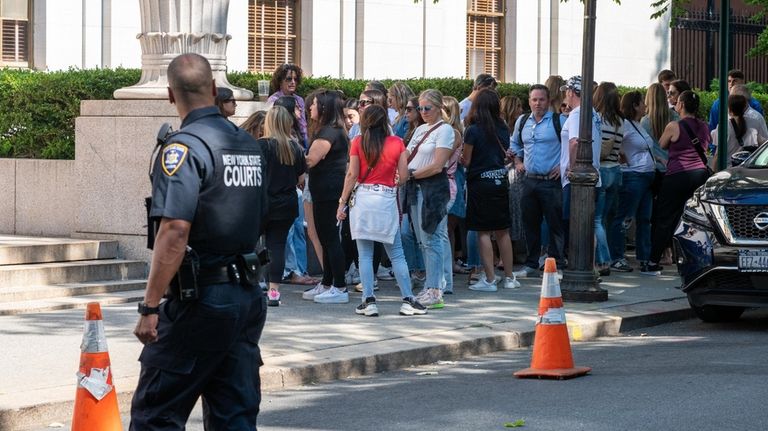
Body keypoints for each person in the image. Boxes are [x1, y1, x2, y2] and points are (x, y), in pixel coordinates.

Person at [130, 53, 267, 430]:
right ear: (211, 89)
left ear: (170, 96)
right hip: (246, 294)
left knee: (156, 414)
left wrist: (149, 306)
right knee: (234, 415)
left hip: (201, 300)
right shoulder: (248, 144)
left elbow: (174, 230)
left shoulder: (183, 149)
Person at [336, 105, 428, 316]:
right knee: (396, 253)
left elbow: (352, 175)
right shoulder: (397, 143)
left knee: (365, 254)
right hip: (386, 198)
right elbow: (404, 176)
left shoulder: (358, 142)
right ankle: (408, 299)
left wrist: (341, 202)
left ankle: (368, 301)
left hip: (363, 200)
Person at [645, 90, 711, 276]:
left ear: (681, 105)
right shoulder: (704, 126)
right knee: (695, 219)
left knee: (664, 218)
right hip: (699, 175)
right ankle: (696, 260)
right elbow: (705, 146)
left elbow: (662, 143)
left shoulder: (674, 126)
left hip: (677, 176)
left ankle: (653, 262)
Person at [462, 89, 519, 291]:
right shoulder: (502, 127)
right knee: (502, 231)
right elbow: (503, 155)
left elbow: (466, 160)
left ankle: (489, 279)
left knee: (483, 232)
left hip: (480, 182)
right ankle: (510, 277)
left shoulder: (473, 130)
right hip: (500, 180)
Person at [405, 89, 454, 309]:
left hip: (432, 187)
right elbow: (406, 155)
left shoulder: (445, 130)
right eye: (420, 108)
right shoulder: (420, 129)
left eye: (428, 108)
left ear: (438, 108)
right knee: (422, 240)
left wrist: (411, 174)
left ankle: (435, 289)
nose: (423, 112)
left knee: (432, 238)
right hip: (415, 185)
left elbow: (437, 165)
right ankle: (430, 287)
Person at [510, 84, 566, 277]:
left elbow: (569, 146)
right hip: (530, 180)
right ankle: (532, 264)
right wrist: (517, 161)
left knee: (555, 223)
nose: (538, 103)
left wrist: (562, 166)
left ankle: (556, 264)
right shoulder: (522, 121)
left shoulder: (559, 120)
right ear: (529, 101)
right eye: (534, 99)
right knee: (530, 223)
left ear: (548, 101)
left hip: (551, 181)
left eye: (542, 99)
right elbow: (514, 143)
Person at [303, 89, 351, 303]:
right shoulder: (331, 130)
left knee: (331, 239)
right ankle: (327, 282)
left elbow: (310, 160)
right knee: (325, 237)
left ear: (324, 107)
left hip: (329, 192)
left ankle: (339, 286)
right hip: (323, 190)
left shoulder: (329, 132)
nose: (310, 108)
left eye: (313, 104)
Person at [258, 106, 306, 306]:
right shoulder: (294, 147)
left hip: (261, 203)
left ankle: (253, 284)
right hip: (286, 203)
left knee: (252, 243)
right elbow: (301, 178)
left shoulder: (261, 145)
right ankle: (274, 292)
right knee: (277, 246)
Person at [273, 96, 318, 286]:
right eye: (297, 109)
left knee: (298, 230)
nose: (301, 112)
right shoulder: (281, 141)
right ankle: (291, 270)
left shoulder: (293, 136)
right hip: (288, 191)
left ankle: (300, 269)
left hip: (294, 190)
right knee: (289, 232)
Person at [609, 91, 655, 273]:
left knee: (645, 218)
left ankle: (644, 256)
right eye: (642, 103)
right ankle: (617, 256)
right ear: (635, 105)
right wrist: (621, 156)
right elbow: (615, 142)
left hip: (645, 175)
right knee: (624, 217)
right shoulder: (625, 125)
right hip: (632, 175)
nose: (645, 106)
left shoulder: (638, 124)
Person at [559, 75, 602, 256]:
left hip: (577, 179)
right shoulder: (593, 113)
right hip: (594, 176)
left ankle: (578, 263)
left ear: (571, 92)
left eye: (566, 92)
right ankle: (590, 264)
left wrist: (572, 168)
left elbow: (575, 142)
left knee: (574, 225)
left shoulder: (577, 114)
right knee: (587, 225)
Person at [593, 82, 625, 276]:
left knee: (596, 220)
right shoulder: (621, 121)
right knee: (606, 219)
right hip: (616, 170)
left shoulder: (599, 119)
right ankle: (609, 257)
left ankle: (603, 261)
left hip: (602, 171)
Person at [710, 94, 760, 170]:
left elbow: (717, 154)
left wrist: (713, 172)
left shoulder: (724, 126)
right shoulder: (753, 123)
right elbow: (763, 142)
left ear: (729, 109)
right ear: (744, 108)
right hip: (745, 169)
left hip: (727, 169)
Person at [268, 63, 308, 146]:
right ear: (280, 81)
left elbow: (303, 126)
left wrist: (306, 143)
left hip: (298, 139)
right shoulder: (274, 100)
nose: (293, 82)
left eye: (295, 79)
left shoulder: (299, 100)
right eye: (289, 79)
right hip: (280, 141)